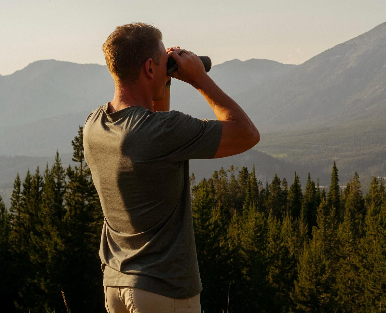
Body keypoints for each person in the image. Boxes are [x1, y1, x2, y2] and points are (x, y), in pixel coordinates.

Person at [83, 23, 260, 313]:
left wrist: (162, 81)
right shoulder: (160, 132)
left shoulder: (95, 124)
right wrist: (199, 79)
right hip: (165, 289)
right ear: (150, 68)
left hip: (116, 284)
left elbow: (151, 126)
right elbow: (246, 134)